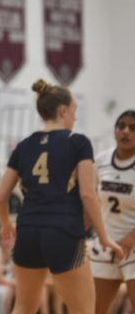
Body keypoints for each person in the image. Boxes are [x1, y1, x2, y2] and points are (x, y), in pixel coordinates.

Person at [0, 78, 123, 314]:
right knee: (83, 310)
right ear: (63, 110)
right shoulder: (78, 142)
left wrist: (5, 225)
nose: (75, 118)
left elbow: (0, 197)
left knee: (23, 307)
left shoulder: (23, 146)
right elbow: (88, 193)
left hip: (28, 229)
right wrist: (104, 238)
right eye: (74, 111)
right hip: (63, 230)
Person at [90, 110, 135, 314]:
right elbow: (89, 202)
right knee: (93, 309)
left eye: (133, 128)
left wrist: (130, 239)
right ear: (115, 130)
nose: (126, 131)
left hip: (132, 244)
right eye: (121, 126)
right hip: (107, 243)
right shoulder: (100, 161)